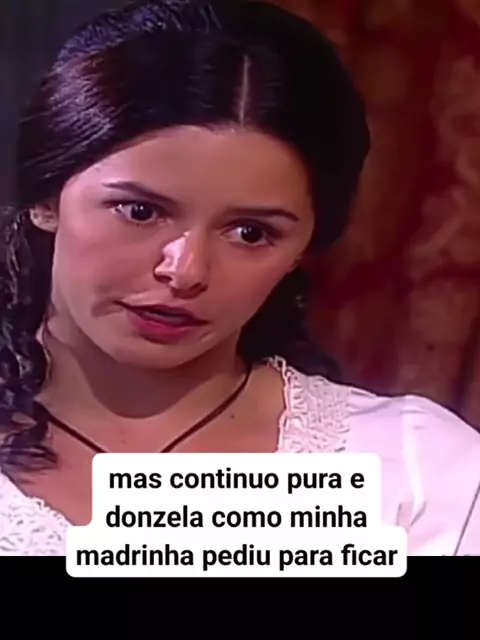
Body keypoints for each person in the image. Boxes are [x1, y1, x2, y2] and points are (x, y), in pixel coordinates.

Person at [0, 0, 478, 557]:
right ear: (46, 198)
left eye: (250, 233)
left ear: (304, 248)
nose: (185, 271)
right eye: (139, 211)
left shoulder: (418, 472)